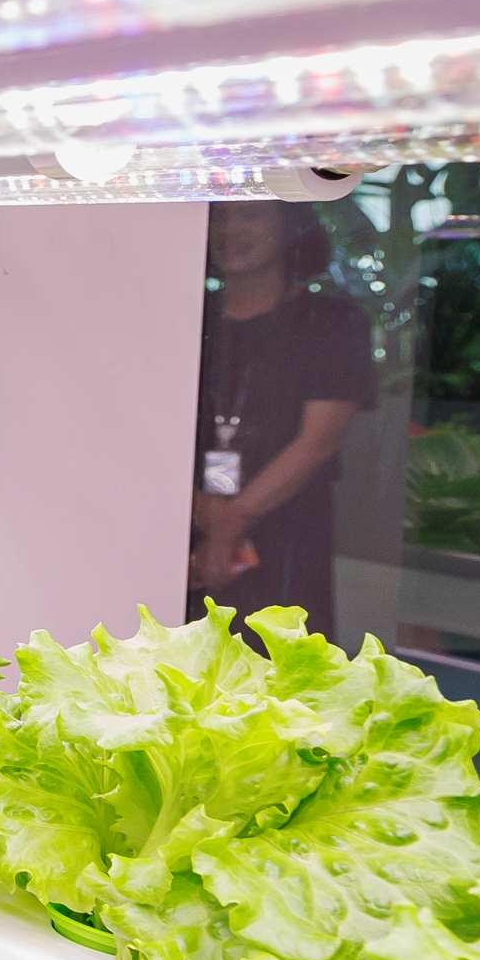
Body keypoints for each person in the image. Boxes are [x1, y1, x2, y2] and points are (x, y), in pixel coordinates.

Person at [187, 200, 376, 639]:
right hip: (184, 521)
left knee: (279, 670)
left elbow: (319, 441)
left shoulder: (332, 321)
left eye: (250, 215)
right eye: (220, 216)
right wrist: (200, 509)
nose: (230, 229)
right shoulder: (186, 314)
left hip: (286, 529)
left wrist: (231, 520)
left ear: (291, 226)